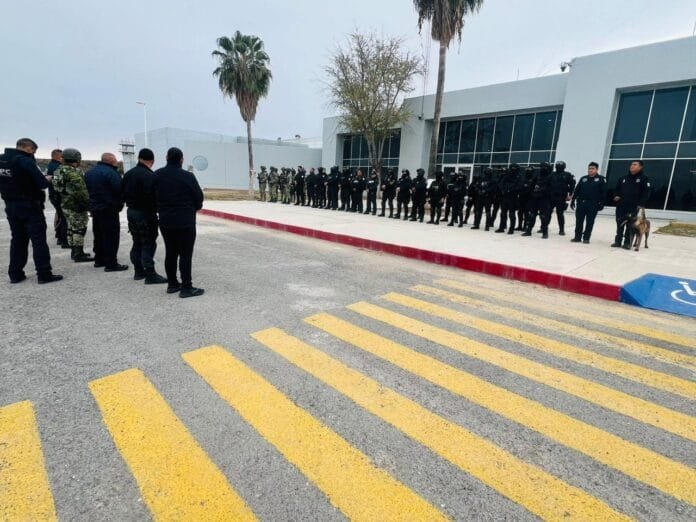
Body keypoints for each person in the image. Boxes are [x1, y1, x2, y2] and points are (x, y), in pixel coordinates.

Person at [0, 138, 62, 284]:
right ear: (28, 148)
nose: (33, 154)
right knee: (38, 241)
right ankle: (44, 274)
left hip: (10, 205)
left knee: (17, 240)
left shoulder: (2, 160)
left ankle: (15, 274)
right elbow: (42, 183)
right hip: (30, 206)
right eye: (33, 151)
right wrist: (48, 179)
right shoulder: (25, 161)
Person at [155, 147, 204, 298]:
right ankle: (186, 288)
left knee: (170, 252)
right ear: (182, 160)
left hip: (165, 221)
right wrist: (194, 208)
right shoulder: (188, 176)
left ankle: (172, 284)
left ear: (166, 158)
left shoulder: (157, 175)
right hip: (185, 221)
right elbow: (198, 198)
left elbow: (151, 196)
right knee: (185, 255)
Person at [121, 148, 167, 283]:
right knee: (148, 242)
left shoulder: (128, 174)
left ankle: (138, 271)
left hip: (131, 212)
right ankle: (150, 273)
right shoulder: (150, 176)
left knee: (137, 241)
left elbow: (121, 193)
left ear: (139, 159)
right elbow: (154, 197)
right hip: (146, 214)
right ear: (152, 161)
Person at [85, 153, 127, 271]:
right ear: (110, 161)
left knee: (98, 235)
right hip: (109, 209)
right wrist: (120, 203)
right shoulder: (111, 173)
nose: (116, 162)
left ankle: (99, 259)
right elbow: (119, 190)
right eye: (115, 160)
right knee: (111, 236)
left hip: (95, 209)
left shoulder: (89, 172)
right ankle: (111, 263)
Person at [52, 148, 94, 262]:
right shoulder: (73, 173)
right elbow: (82, 192)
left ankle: (74, 252)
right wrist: (88, 206)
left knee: (71, 229)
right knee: (79, 229)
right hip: (76, 206)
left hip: (65, 204)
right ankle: (78, 254)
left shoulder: (59, 170)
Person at [612, 160, 651, 249]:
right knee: (619, 223)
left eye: (635, 164)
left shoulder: (644, 179)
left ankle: (627, 243)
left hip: (633, 206)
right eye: (631, 164)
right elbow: (616, 189)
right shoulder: (623, 178)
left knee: (630, 225)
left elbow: (646, 193)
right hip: (621, 205)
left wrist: (641, 204)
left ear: (640, 167)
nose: (632, 166)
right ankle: (617, 241)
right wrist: (616, 195)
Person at [570, 162, 607, 244]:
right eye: (589, 168)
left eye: (592, 169)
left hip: (593, 204)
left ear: (597, 169)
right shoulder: (583, 178)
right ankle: (577, 237)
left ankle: (586, 238)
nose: (590, 170)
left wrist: (602, 203)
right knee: (579, 221)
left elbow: (604, 193)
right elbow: (577, 190)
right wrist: (573, 200)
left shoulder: (601, 179)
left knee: (590, 222)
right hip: (581, 203)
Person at [522, 162, 552, 238]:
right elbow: (531, 186)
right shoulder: (537, 176)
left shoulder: (551, 177)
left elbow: (552, 189)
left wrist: (542, 190)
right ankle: (528, 231)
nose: (542, 169)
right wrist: (533, 192)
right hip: (534, 198)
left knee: (543, 216)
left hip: (544, 199)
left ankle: (545, 232)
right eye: (541, 167)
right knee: (531, 215)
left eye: (544, 167)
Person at [46, 149, 68, 248]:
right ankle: (64, 240)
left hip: (54, 195)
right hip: (58, 195)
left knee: (60, 216)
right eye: (62, 156)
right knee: (64, 217)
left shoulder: (51, 165)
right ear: (56, 156)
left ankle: (59, 236)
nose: (63, 158)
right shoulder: (57, 167)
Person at [549, 161, 576, 236]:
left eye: (560, 166)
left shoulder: (567, 175)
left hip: (561, 197)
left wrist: (570, 195)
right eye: (557, 166)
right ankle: (543, 227)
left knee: (560, 214)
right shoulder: (552, 174)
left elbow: (572, 185)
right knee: (548, 213)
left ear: (564, 167)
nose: (558, 167)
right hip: (551, 197)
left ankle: (561, 230)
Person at [495, 165, 521, 234]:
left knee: (512, 214)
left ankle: (511, 229)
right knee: (503, 213)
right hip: (505, 197)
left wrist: (511, 190)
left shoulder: (518, 177)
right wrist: (504, 190)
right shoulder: (506, 176)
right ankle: (501, 227)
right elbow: (501, 184)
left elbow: (519, 186)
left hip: (513, 197)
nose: (513, 169)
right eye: (512, 168)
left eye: (514, 168)